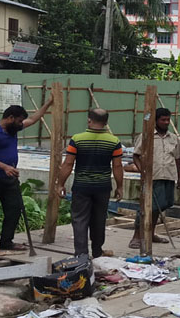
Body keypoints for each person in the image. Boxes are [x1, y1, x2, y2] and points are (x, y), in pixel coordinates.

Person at [0, 100, 52, 253]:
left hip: (9, 177)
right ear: (10, 118)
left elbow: (33, 119)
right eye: (19, 121)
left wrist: (48, 103)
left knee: (14, 208)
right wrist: (3, 166)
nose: (21, 125)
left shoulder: (13, 129)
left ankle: (6, 241)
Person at [57, 108, 124, 258]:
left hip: (81, 186)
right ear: (106, 123)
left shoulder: (77, 139)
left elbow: (68, 164)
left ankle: (81, 254)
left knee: (80, 219)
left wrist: (60, 184)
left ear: (89, 120)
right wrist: (120, 186)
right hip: (103, 187)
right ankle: (97, 251)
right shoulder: (114, 141)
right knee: (99, 219)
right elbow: (117, 166)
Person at [129, 108, 180, 249]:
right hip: (153, 176)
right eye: (163, 120)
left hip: (169, 175)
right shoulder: (147, 136)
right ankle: (136, 236)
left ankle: (151, 233)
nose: (166, 123)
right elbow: (136, 156)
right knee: (148, 206)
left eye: (167, 120)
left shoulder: (173, 138)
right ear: (156, 121)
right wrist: (143, 172)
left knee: (163, 204)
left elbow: (177, 158)